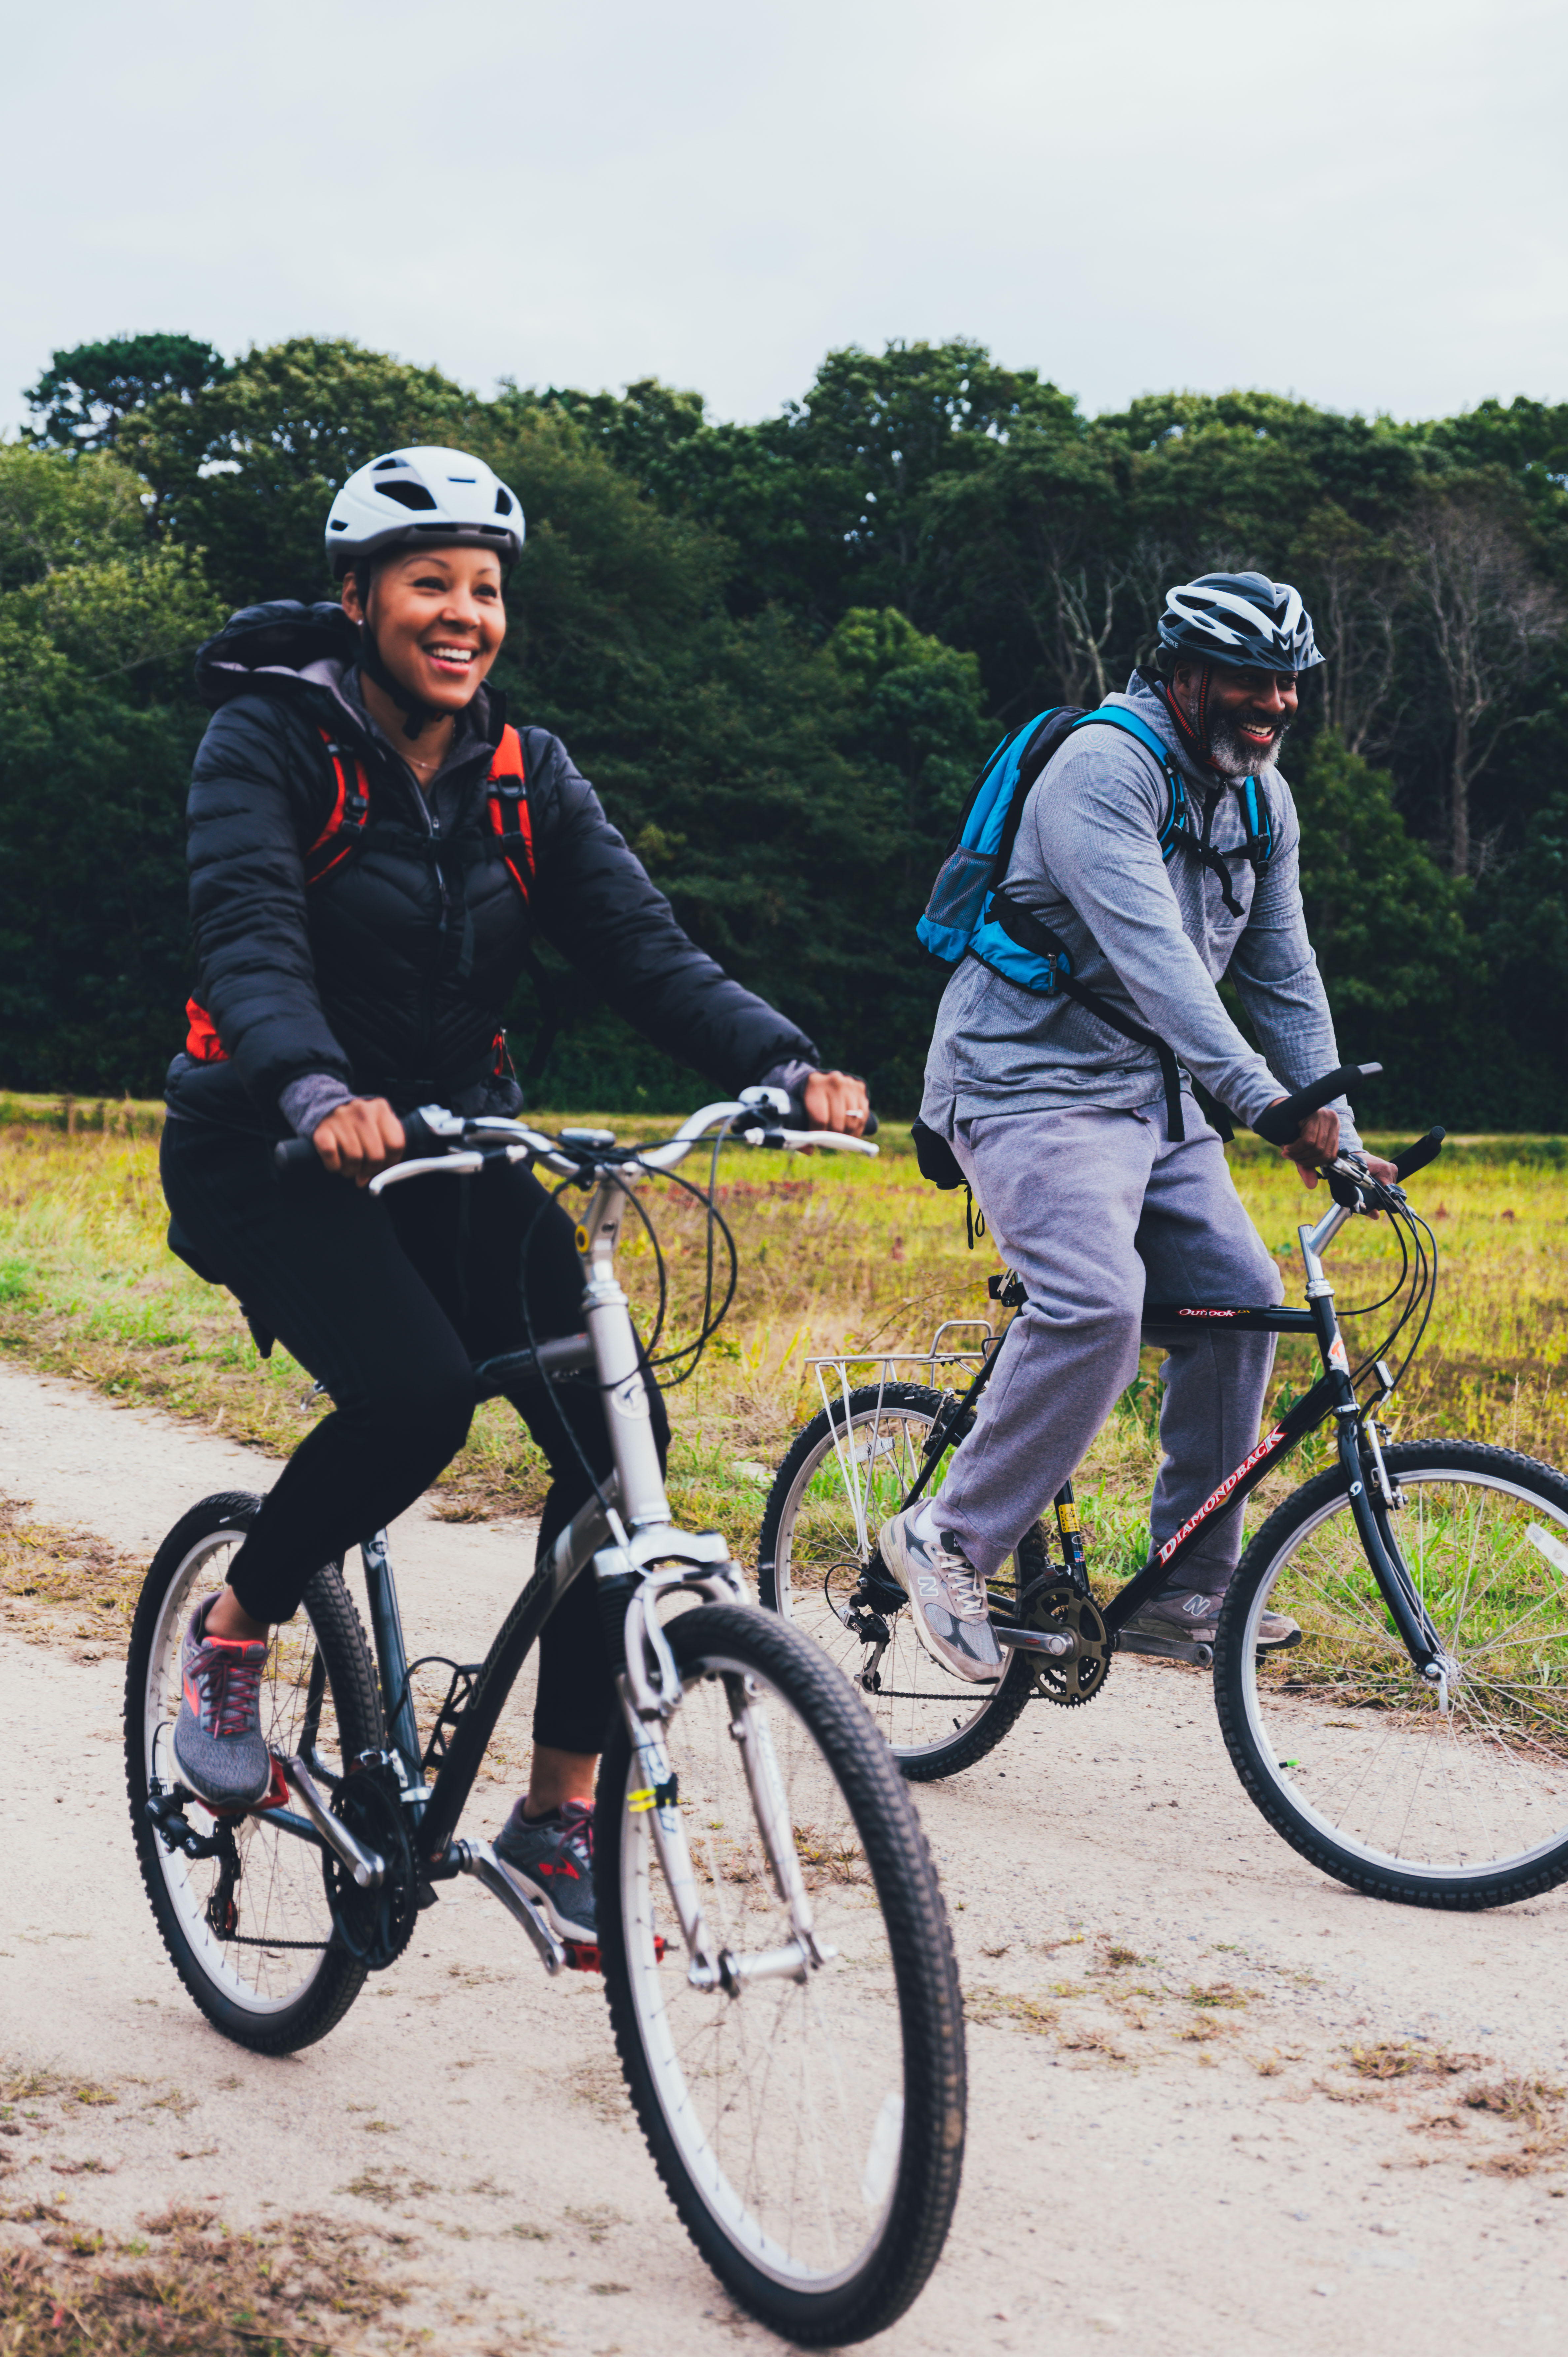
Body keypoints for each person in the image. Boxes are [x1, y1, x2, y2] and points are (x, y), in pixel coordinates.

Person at [159, 445, 868, 1940]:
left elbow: (645, 947)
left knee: (621, 1445)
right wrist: (309, 1089)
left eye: (486, 588)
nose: (463, 612)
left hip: (457, 1145)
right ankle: (236, 1624)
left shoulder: (525, 771)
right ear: (359, 600)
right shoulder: (266, 744)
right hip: (270, 1142)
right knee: (417, 1400)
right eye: (431, 583)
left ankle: (555, 1817)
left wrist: (785, 1063)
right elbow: (250, 935)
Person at [882, 571, 1394, 1680]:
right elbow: (1161, 968)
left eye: (1291, 684)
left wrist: (1338, 1130)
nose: (1277, 704)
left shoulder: (1263, 803)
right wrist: (1265, 1104)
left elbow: (1285, 975)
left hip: (1154, 1107)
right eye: (1253, 682)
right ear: (1186, 674)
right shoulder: (1102, 772)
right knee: (1097, 1307)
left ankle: (1186, 1591)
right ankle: (950, 1536)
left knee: (1246, 1308)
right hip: (1026, 1086)